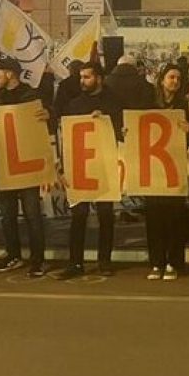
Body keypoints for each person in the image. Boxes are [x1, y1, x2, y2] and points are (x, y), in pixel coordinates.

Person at [56, 61, 124, 279]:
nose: (82, 81)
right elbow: (66, 138)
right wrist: (63, 167)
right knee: (79, 215)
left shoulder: (114, 103)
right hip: (80, 168)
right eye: (81, 77)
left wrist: (105, 120)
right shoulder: (74, 104)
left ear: (99, 78)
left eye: (87, 77)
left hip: (104, 165)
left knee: (105, 215)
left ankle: (104, 261)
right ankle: (75, 262)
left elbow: (122, 133)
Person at [0, 57, 50, 276]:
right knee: (8, 215)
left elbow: (41, 126)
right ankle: (13, 254)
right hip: (5, 164)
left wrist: (48, 115)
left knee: (33, 215)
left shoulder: (31, 96)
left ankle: (38, 259)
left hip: (27, 167)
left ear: (9, 74)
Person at [141, 63, 189, 281]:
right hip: (153, 168)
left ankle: (173, 262)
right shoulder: (148, 104)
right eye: (171, 77)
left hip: (175, 167)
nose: (175, 82)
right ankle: (156, 262)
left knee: (174, 217)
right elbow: (138, 129)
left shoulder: (185, 106)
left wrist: (188, 130)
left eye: (178, 78)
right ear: (162, 80)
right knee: (154, 217)